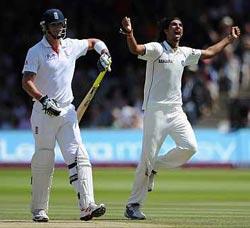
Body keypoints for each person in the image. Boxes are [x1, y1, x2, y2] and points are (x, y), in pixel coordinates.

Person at [120, 16, 240, 219]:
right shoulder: (157, 49)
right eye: (173, 25)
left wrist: (228, 39)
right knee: (146, 159)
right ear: (166, 31)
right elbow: (136, 50)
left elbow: (210, 52)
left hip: (176, 111)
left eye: (181, 25)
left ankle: (155, 167)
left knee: (190, 147)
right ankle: (133, 205)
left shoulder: (184, 53)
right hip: (155, 110)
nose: (178, 27)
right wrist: (129, 33)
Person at [22, 9, 111, 222]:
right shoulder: (35, 51)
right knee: (44, 158)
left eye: (61, 24)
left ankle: (87, 205)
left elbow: (93, 42)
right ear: (45, 27)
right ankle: (39, 210)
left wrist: (105, 54)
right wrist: (44, 99)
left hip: (67, 111)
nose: (60, 28)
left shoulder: (70, 45)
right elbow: (26, 82)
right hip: (43, 112)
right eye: (55, 25)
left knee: (79, 156)